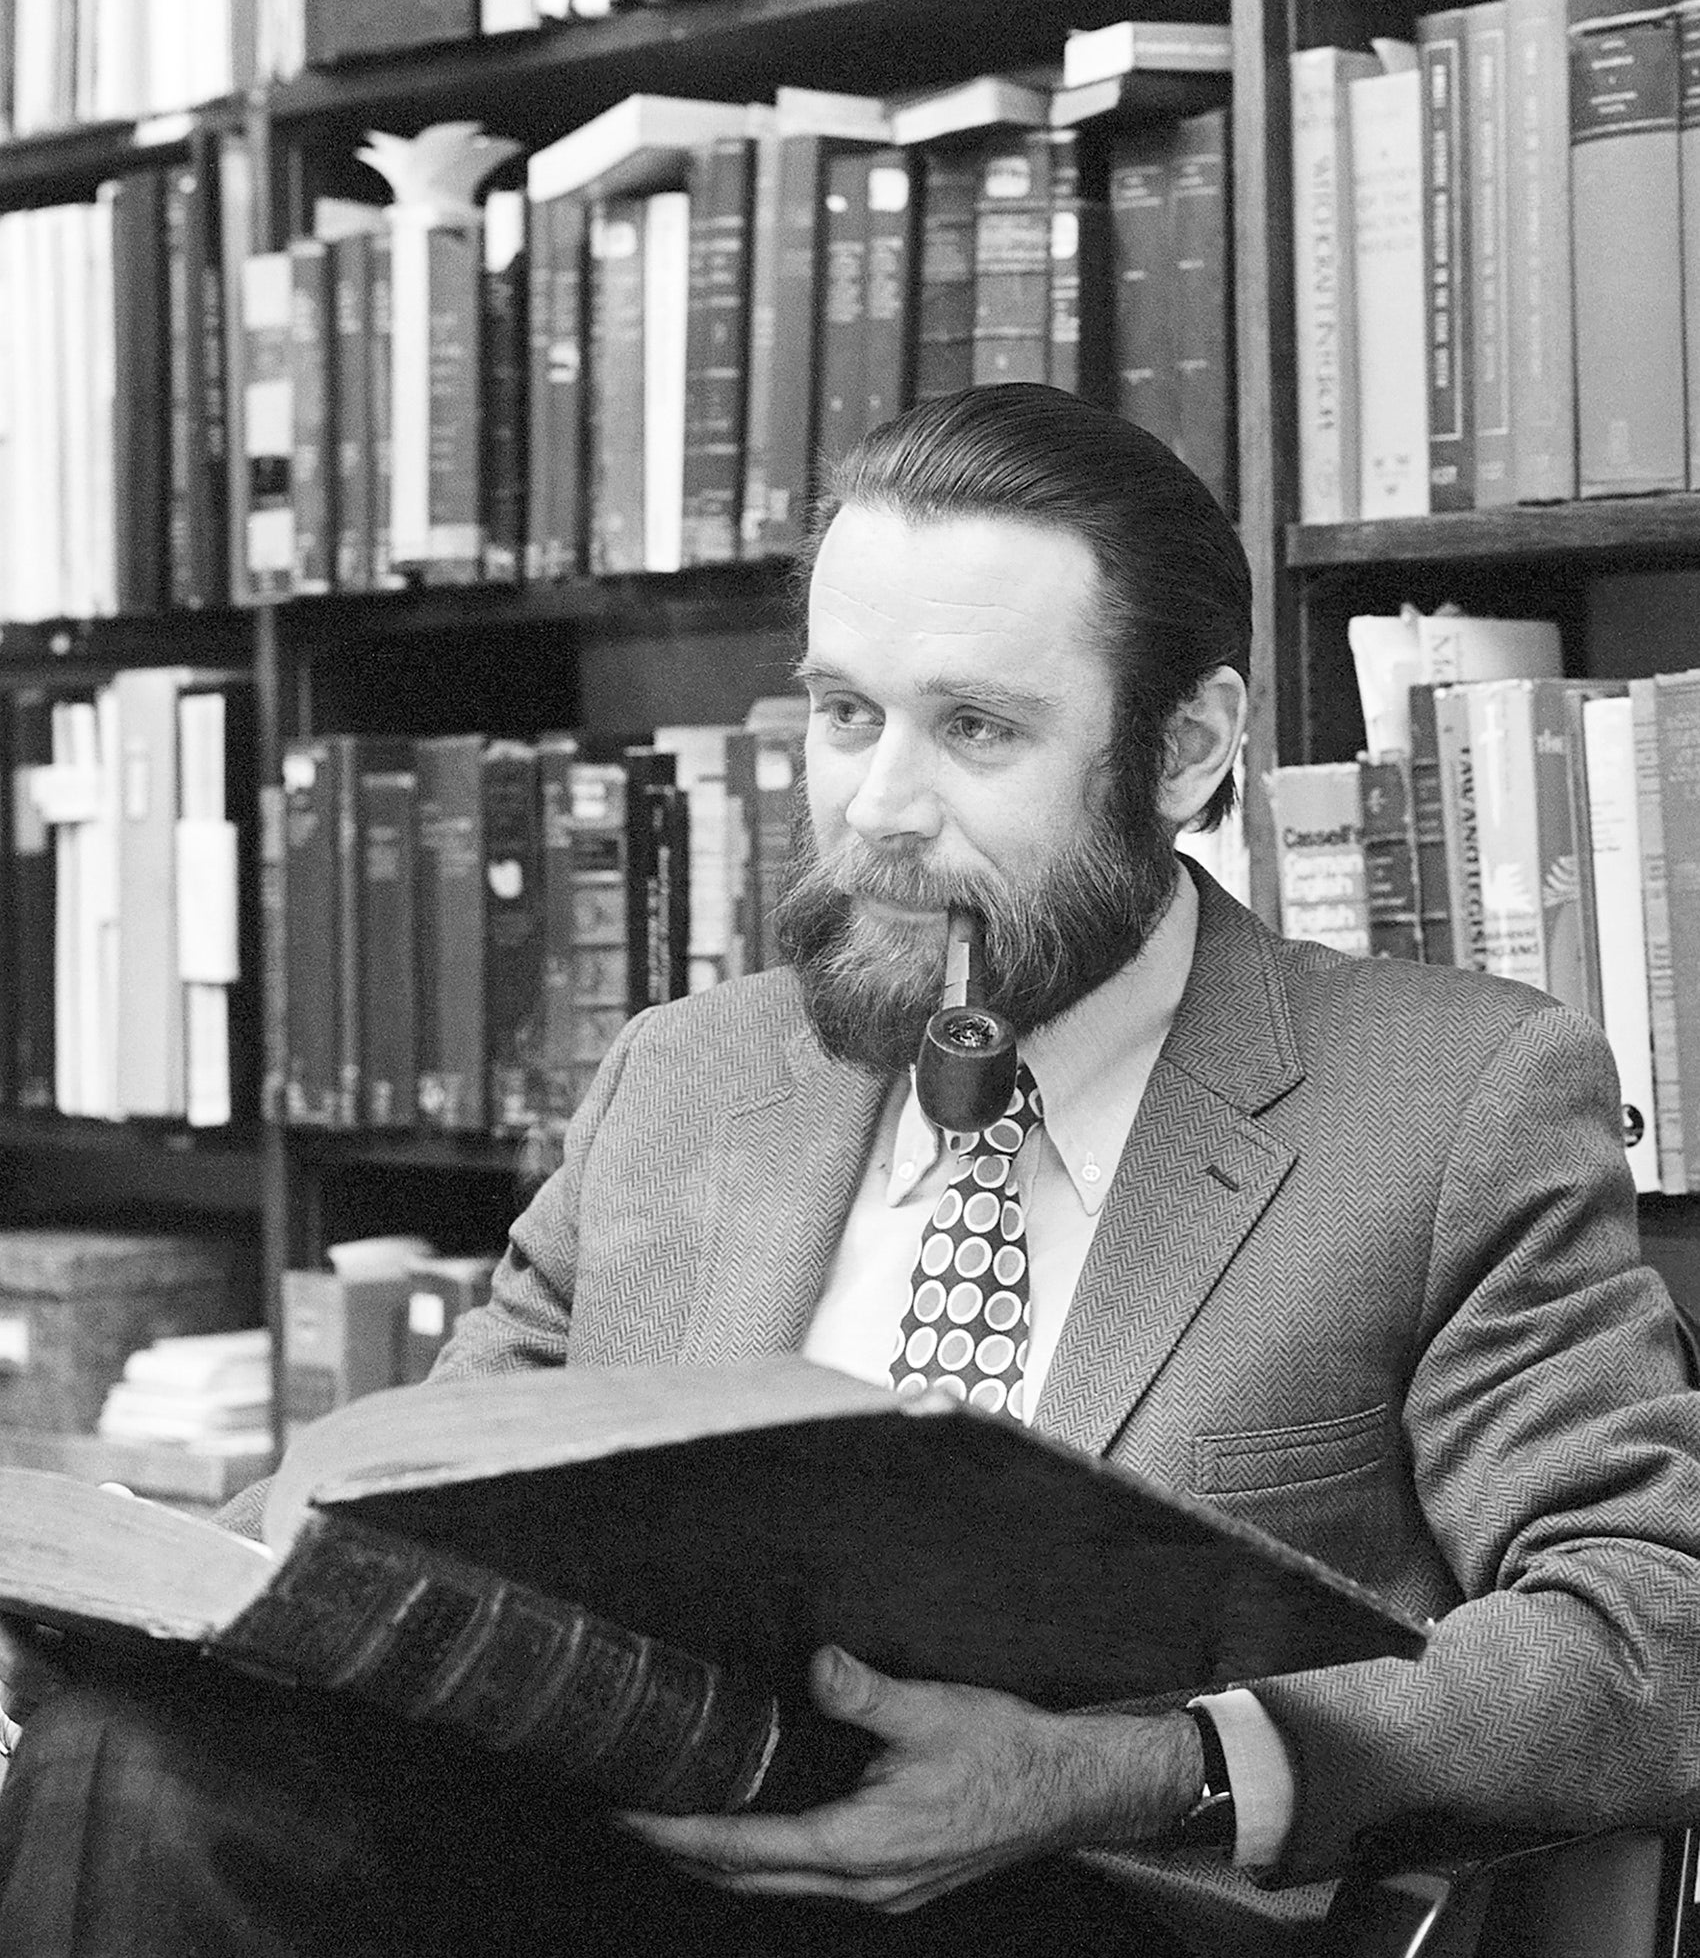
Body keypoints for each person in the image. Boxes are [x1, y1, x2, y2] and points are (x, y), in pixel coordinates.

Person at [3, 382, 1699, 1958]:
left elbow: (1648, 1631)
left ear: (1185, 750)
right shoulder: (688, 1076)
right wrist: (153, 1611)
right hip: (630, 1871)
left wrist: (1123, 1768)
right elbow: (404, 1508)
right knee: (129, 1762)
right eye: (840, 713)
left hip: (1097, 1901)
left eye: (973, 729)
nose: (878, 805)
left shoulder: (1454, 1093)